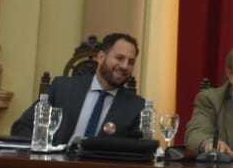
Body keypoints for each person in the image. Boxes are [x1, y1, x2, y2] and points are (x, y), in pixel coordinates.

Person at [11, 32, 146, 140]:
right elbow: (22, 127)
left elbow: (138, 150)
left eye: (131, 62)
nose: (125, 66)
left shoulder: (136, 106)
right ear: (101, 57)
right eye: (120, 58)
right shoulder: (62, 88)